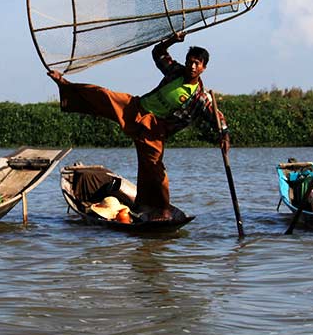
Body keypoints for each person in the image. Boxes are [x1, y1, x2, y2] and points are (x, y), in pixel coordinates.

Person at [48, 33, 230, 220]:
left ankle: (161, 208)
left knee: (153, 167)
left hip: (155, 128)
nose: (192, 66)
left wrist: (224, 136)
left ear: (203, 68)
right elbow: (158, 53)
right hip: (138, 107)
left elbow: (217, 117)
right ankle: (65, 85)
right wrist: (173, 40)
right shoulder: (175, 71)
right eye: (190, 62)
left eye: (197, 64)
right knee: (104, 95)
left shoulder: (201, 98)